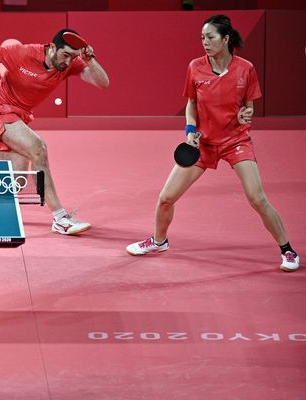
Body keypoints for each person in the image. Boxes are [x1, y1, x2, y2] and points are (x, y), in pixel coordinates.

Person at [126, 15, 299, 272]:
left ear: (226, 39)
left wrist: (246, 114)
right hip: (202, 144)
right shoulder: (196, 67)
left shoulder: (246, 68)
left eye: (210, 37)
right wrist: (189, 131)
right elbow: (191, 103)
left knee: (257, 198)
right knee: (165, 198)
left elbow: (249, 106)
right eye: (202, 38)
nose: (205, 42)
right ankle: (159, 241)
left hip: (235, 140)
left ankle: (288, 250)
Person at [0, 29, 110, 235]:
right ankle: (60, 219)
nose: (68, 62)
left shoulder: (69, 64)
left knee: (16, 184)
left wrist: (90, 59)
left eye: (73, 57)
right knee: (38, 149)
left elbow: (103, 83)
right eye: (65, 55)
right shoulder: (21, 52)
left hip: (20, 117)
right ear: (52, 47)